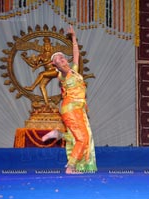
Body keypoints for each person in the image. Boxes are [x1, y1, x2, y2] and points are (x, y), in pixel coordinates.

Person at [42, 25, 97, 174]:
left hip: (77, 108)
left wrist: (73, 37)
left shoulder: (73, 71)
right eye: (58, 59)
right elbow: (62, 67)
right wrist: (58, 65)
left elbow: (76, 56)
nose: (62, 58)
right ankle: (70, 167)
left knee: (79, 137)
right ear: (56, 65)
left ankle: (58, 135)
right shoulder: (64, 73)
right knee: (83, 138)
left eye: (62, 56)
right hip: (71, 108)